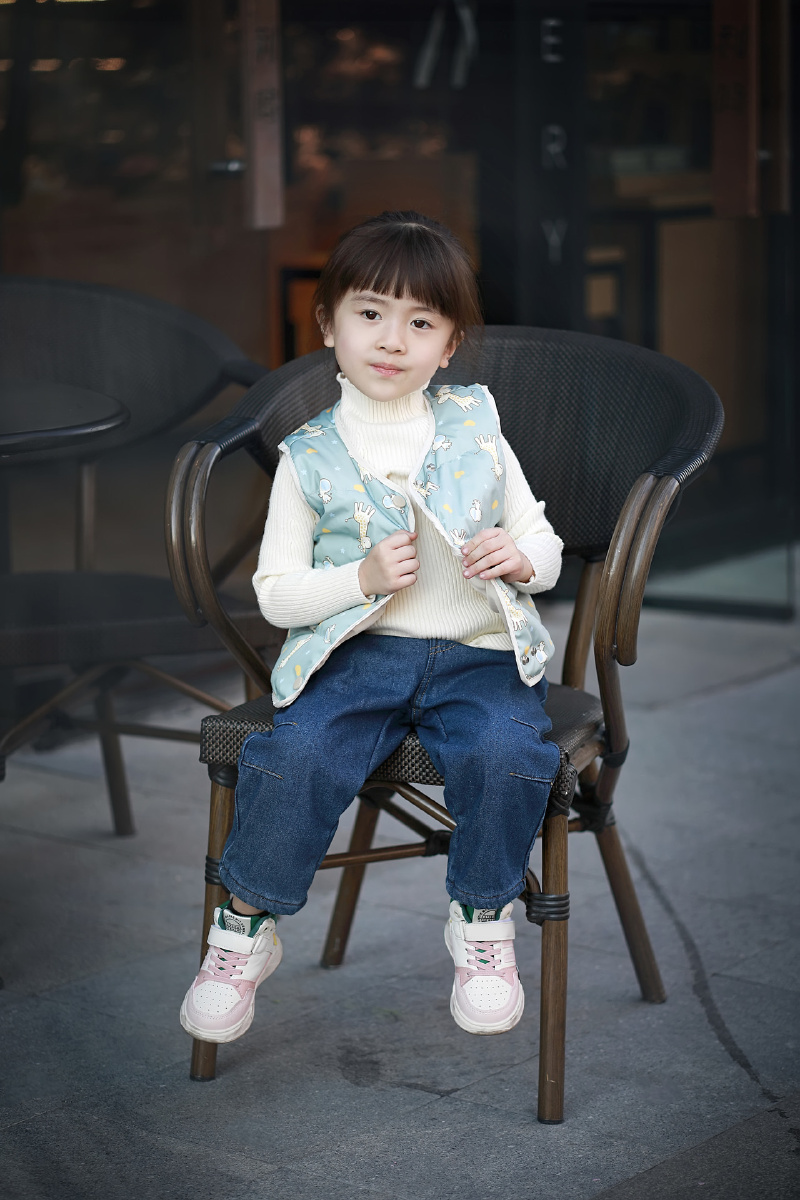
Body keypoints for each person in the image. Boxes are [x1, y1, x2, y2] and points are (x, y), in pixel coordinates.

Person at [180, 210, 564, 1044]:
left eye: (422, 323)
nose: (392, 340)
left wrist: (521, 557)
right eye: (370, 313)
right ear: (328, 325)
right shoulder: (309, 456)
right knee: (297, 755)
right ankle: (243, 928)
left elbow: (545, 543)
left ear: (449, 346)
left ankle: (483, 916)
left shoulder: (477, 429)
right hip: (356, 658)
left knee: (507, 750)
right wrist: (357, 579)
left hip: (478, 657)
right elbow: (276, 595)